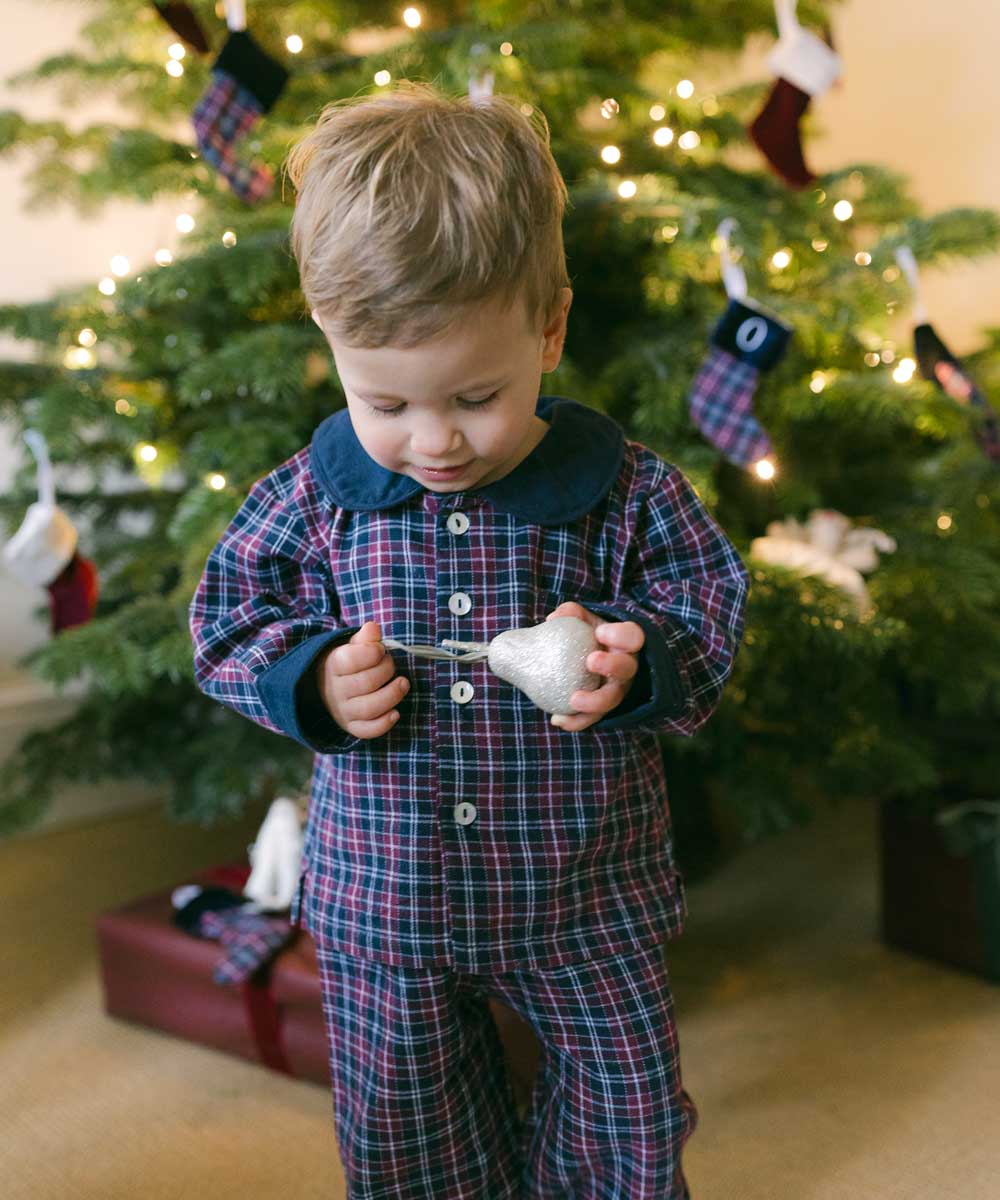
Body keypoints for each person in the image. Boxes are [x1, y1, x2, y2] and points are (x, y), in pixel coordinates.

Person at [189, 79, 750, 1200]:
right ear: (332, 346)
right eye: (385, 403)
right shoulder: (313, 495)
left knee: (624, 1111)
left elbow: (708, 607)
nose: (433, 441)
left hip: (585, 896)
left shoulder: (629, 492)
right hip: (382, 902)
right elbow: (227, 622)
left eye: (476, 396)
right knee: (406, 1134)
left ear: (550, 329)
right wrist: (310, 681)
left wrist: (636, 660)